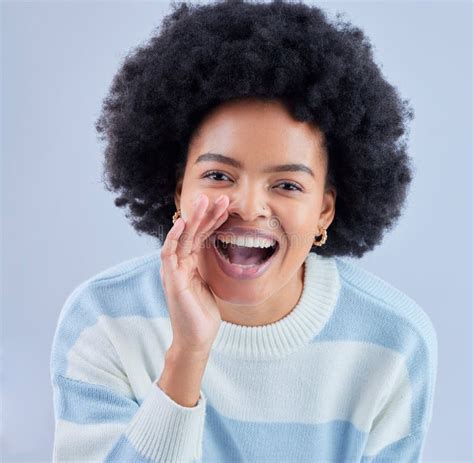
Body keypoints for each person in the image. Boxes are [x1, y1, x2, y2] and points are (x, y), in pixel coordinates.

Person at [50, 0, 438, 461]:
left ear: (324, 213)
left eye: (288, 184)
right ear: (178, 191)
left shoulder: (393, 342)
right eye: (218, 175)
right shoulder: (103, 321)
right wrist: (188, 354)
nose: (249, 207)